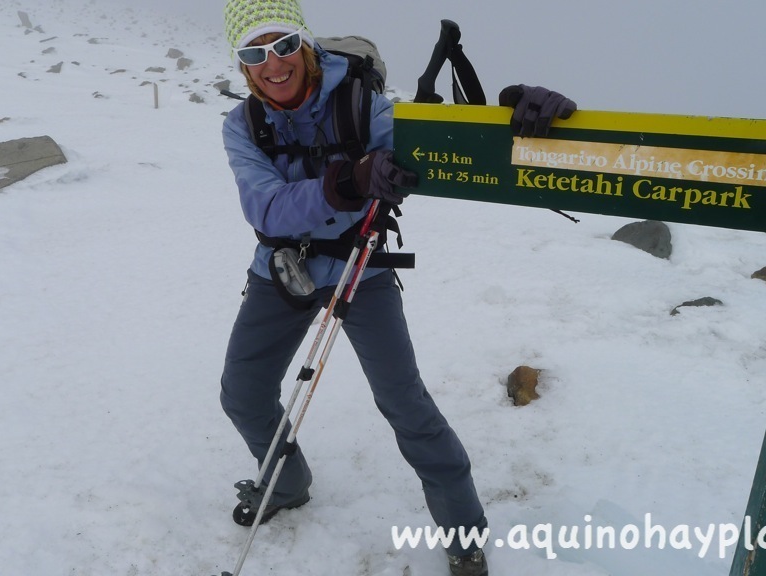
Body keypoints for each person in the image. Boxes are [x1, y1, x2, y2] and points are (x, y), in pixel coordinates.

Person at [218, 2, 576, 574]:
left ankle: (464, 537)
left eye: (283, 45)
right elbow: (264, 205)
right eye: (254, 53)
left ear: (304, 47)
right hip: (282, 268)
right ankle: (285, 485)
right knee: (242, 391)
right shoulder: (243, 126)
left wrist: (513, 115)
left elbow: (447, 143)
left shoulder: (364, 107)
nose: (273, 64)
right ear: (242, 66)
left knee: (405, 405)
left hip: (365, 267)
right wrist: (351, 179)